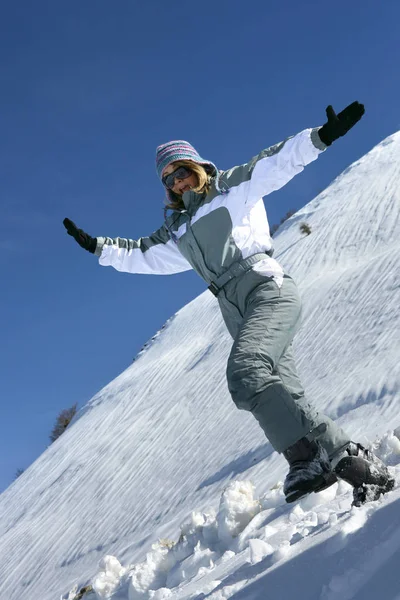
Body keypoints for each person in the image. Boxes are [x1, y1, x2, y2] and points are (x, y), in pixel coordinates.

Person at [64, 102, 394, 506]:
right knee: (289, 399)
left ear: (196, 167)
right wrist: (99, 248)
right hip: (234, 310)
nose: (178, 183)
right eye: (169, 180)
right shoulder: (177, 230)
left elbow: (274, 162)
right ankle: (362, 468)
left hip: (265, 289)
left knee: (245, 374)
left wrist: (320, 137)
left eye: (181, 171)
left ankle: (305, 459)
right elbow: (142, 254)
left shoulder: (231, 187)